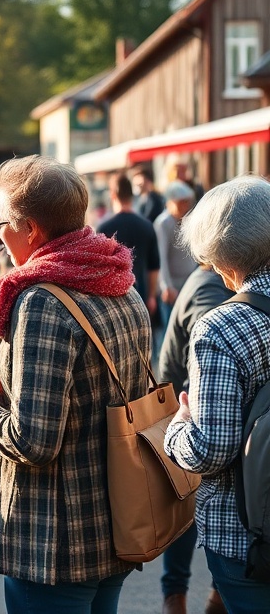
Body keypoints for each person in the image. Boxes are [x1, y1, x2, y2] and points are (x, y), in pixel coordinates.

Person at [0, 155, 150, 613]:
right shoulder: (116, 276)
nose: (0, 234)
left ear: (30, 230)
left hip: (55, 544)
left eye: (1, 223)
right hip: (117, 521)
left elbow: (34, 440)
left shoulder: (43, 302)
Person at [166, 176, 270, 613]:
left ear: (222, 259)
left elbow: (212, 450)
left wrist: (177, 426)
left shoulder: (222, 327)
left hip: (248, 537)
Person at [158, 264, 231, 614]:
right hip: (184, 410)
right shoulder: (210, 289)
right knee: (188, 500)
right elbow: (208, 360)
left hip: (184, 405)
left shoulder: (207, 280)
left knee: (188, 500)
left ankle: (199, 595)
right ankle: (181, 597)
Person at [97, 173, 160, 318]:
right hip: (142, 295)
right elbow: (154, 266)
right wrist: (151, 296)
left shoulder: (104, 228)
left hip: (113, 298)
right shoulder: (147, 226)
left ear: (113, 195)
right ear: (132, 195)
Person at [155, 181, 199, 333]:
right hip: (172, 285)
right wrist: (166, 286)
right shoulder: (164, 223)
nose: (186, 206)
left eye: (188, 202)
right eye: (182, 202)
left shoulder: (188, 219)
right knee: (172, 329)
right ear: (172, 202)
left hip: (189, 282)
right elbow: (161, 257)